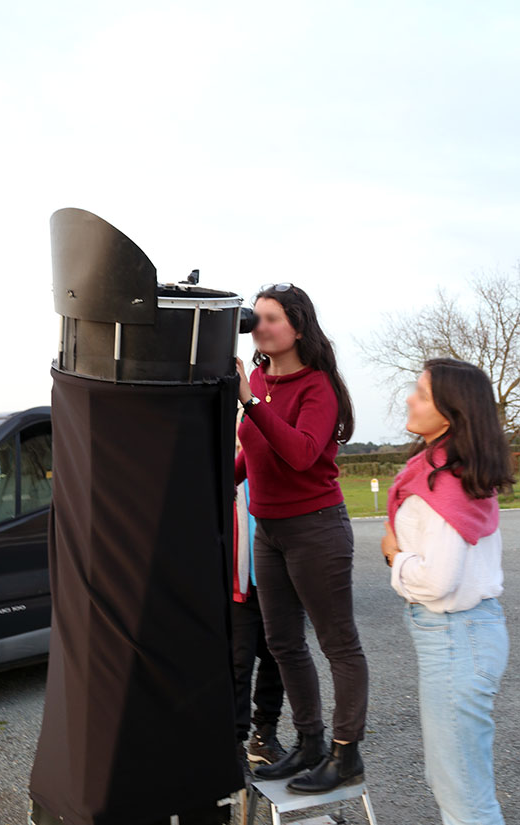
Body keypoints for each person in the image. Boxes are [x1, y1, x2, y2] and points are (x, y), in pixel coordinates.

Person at [235, 283, 368, 795]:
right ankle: (309, 742)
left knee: (339, 643)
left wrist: (249, 402)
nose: (259, 327)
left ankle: (345, 754)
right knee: (283, 642)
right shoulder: (263, 379)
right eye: (257, 319)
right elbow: (255, 456)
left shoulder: (317, 388)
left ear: (297, 327)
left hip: (316, 527)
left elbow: (300, 453)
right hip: (267, 529)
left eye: (269, 319)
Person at [382, 358, 513, 825]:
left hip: (456, 635)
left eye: (422, 392)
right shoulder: (450, 469)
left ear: (451, 412)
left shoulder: (447, 481)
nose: (410, 398)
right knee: (453, 781)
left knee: (464, 797)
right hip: (462, 636)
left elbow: (437, 583)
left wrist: (394, 555)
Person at [233, 471, 285, 784]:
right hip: (239, 588)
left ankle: (264, 738)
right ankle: (233, 746)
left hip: (278, 584)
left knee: (278, 659)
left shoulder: (275, 465)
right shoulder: (230, 468)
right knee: (237, 666)